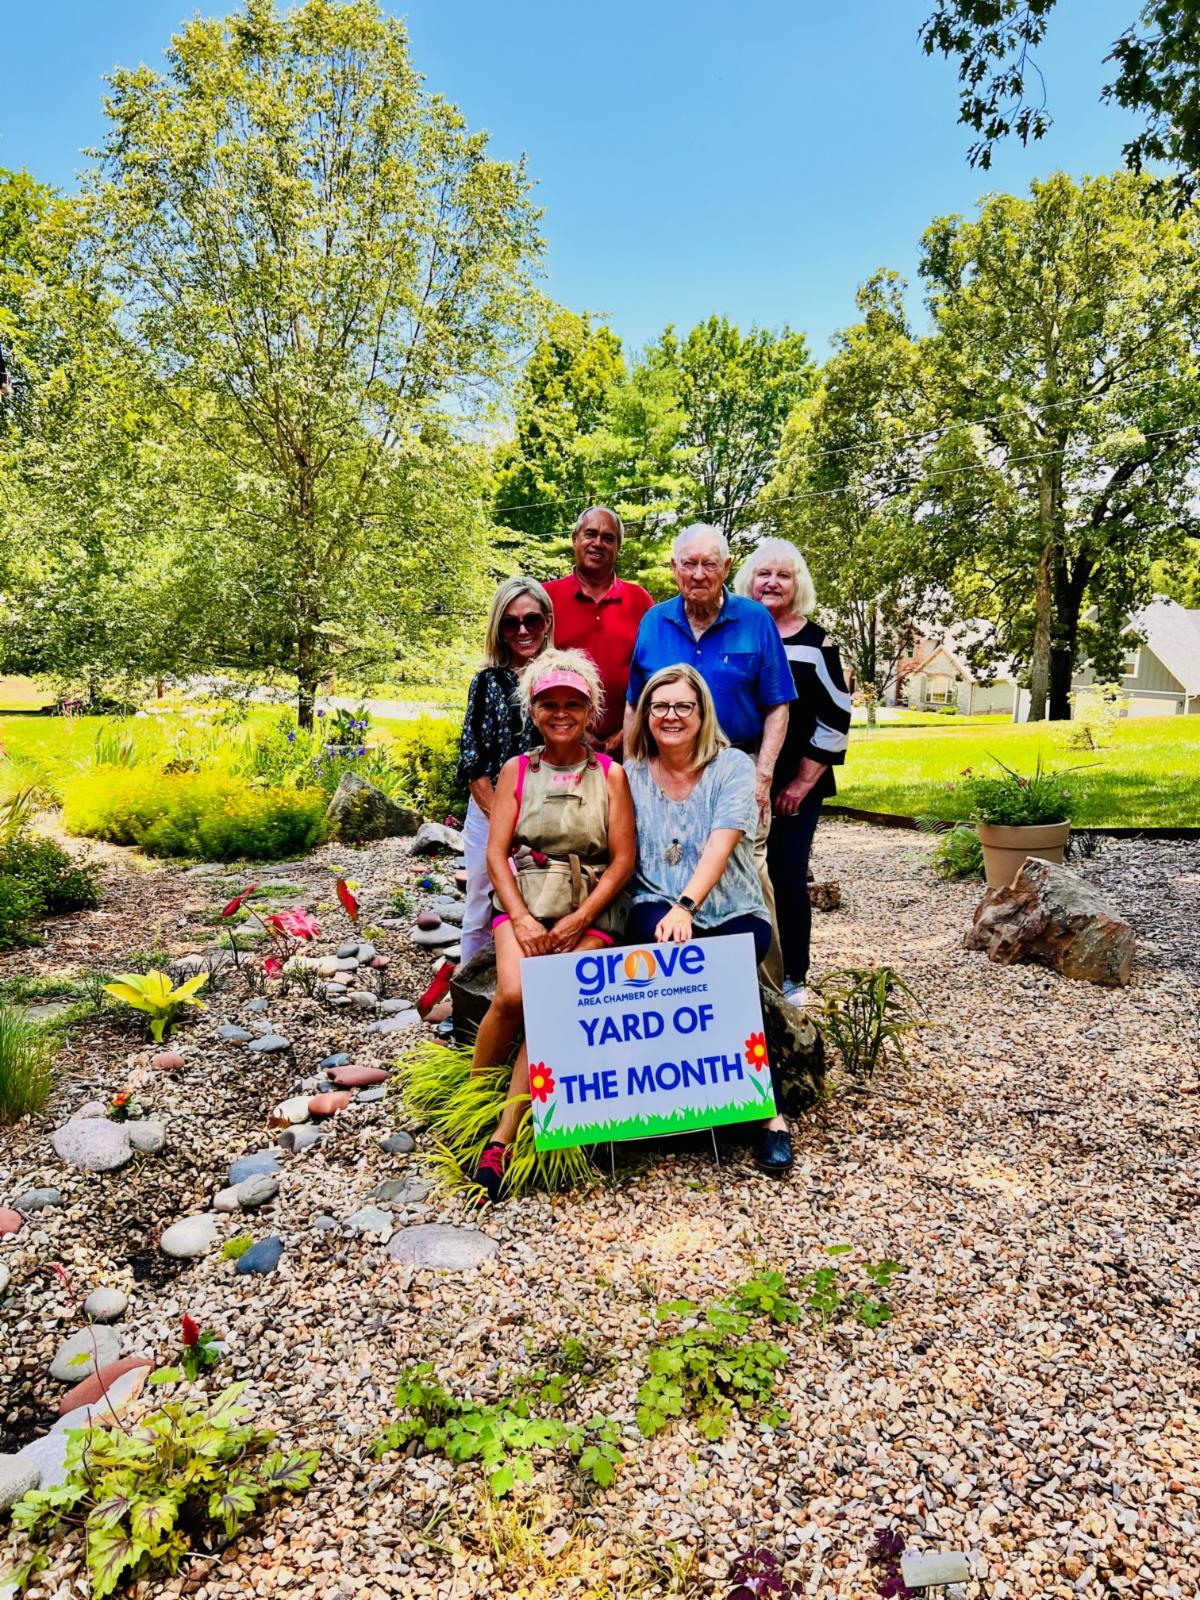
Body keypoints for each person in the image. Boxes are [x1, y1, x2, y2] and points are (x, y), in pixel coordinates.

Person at [469, 649, 636, 1201]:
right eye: (549, 704)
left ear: (590, 710)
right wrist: (519, 917)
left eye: (573, 704)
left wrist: (580, 919)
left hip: (589, 907)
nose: (561, 713)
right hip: (527, 898)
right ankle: (472, 1097)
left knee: (555, 998)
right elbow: (496, 853)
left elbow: (622, 860)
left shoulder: (610, 775)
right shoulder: (517, 770)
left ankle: (503, 1135)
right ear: (533, 710)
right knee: (514, 995)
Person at [624, 664, 794, 1176]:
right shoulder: (629, 773)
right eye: (660, 706)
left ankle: (770, 1114)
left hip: (732, 905)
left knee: (726, 975)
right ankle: (672, 1106)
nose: (671, 716)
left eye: (684, 706)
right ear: (646, 714)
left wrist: (687, 907)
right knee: (663, 962)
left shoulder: (733, 766)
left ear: (702, 713)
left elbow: (722, 844)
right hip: (656, 900)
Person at [624, 522, 795, 987]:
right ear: (674, 568)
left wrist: (762, 777)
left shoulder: (755, 620)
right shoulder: (654, 621)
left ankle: (766, 994)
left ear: (726, 568)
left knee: (750, 876)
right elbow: (635, 703)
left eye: (709, 564)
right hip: (664, 767)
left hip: (735, 768)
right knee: (661, 867)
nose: (698, 574)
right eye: (689, 564)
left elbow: (778, 704)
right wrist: (631, 769)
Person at [734, 541, 851, 1008]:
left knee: (785, 875)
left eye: (783, 575)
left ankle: (792, 977)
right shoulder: (736, 632)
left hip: (793, 785)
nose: (772, 583)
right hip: (735, 777)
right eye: (764, 574)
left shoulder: (818, 643)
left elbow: (836, 715)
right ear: (748, 580)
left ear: (797, 584)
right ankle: (742, 971)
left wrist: (801, 782)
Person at [456, 578, 555, 968]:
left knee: (548, 905)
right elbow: (472, 760)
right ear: (499, 629)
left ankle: (533, 991)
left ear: (547, 621)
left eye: (532, 619)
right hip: (490, 811)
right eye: (511, 622)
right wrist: (503, 822)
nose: (523, 630)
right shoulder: (486, 683)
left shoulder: (562, 676)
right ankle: (469, 992)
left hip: (551, 813)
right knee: (481, 907)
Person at [543, 507, 654, 751]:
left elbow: (654, 675)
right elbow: (530, 671)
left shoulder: (640, 600)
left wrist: (629, 729)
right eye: (590, 534)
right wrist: (574, 730)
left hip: (628, 747)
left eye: (608, 538)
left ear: (618, 548)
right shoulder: (546, 598)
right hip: (558, 745)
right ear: (574, 539)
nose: (598, 543)